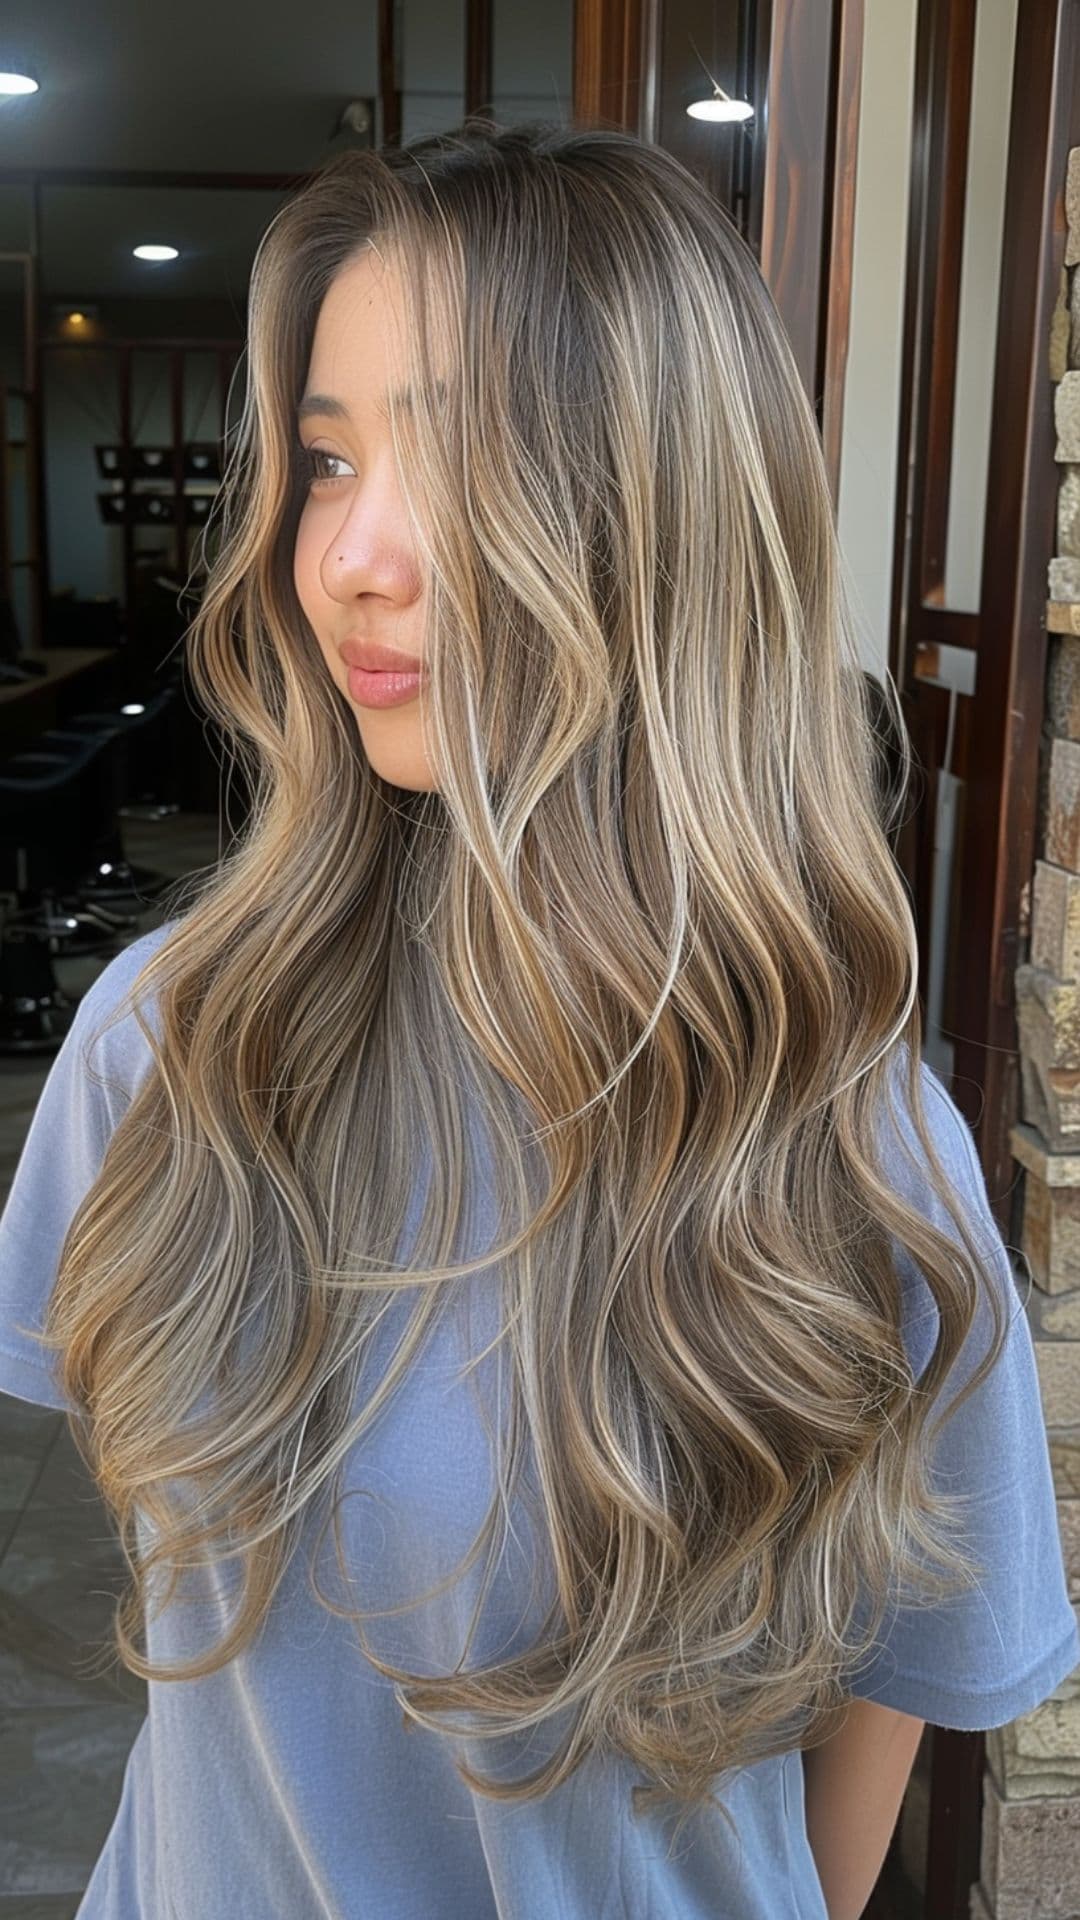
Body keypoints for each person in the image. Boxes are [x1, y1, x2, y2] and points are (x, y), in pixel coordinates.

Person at [1, 119, 1076, 1920]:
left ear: (654, 523)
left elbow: (903, 1660)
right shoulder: (170, 1043)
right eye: (326, 462)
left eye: (459, 457)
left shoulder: (843, 1140)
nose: (348, 556)